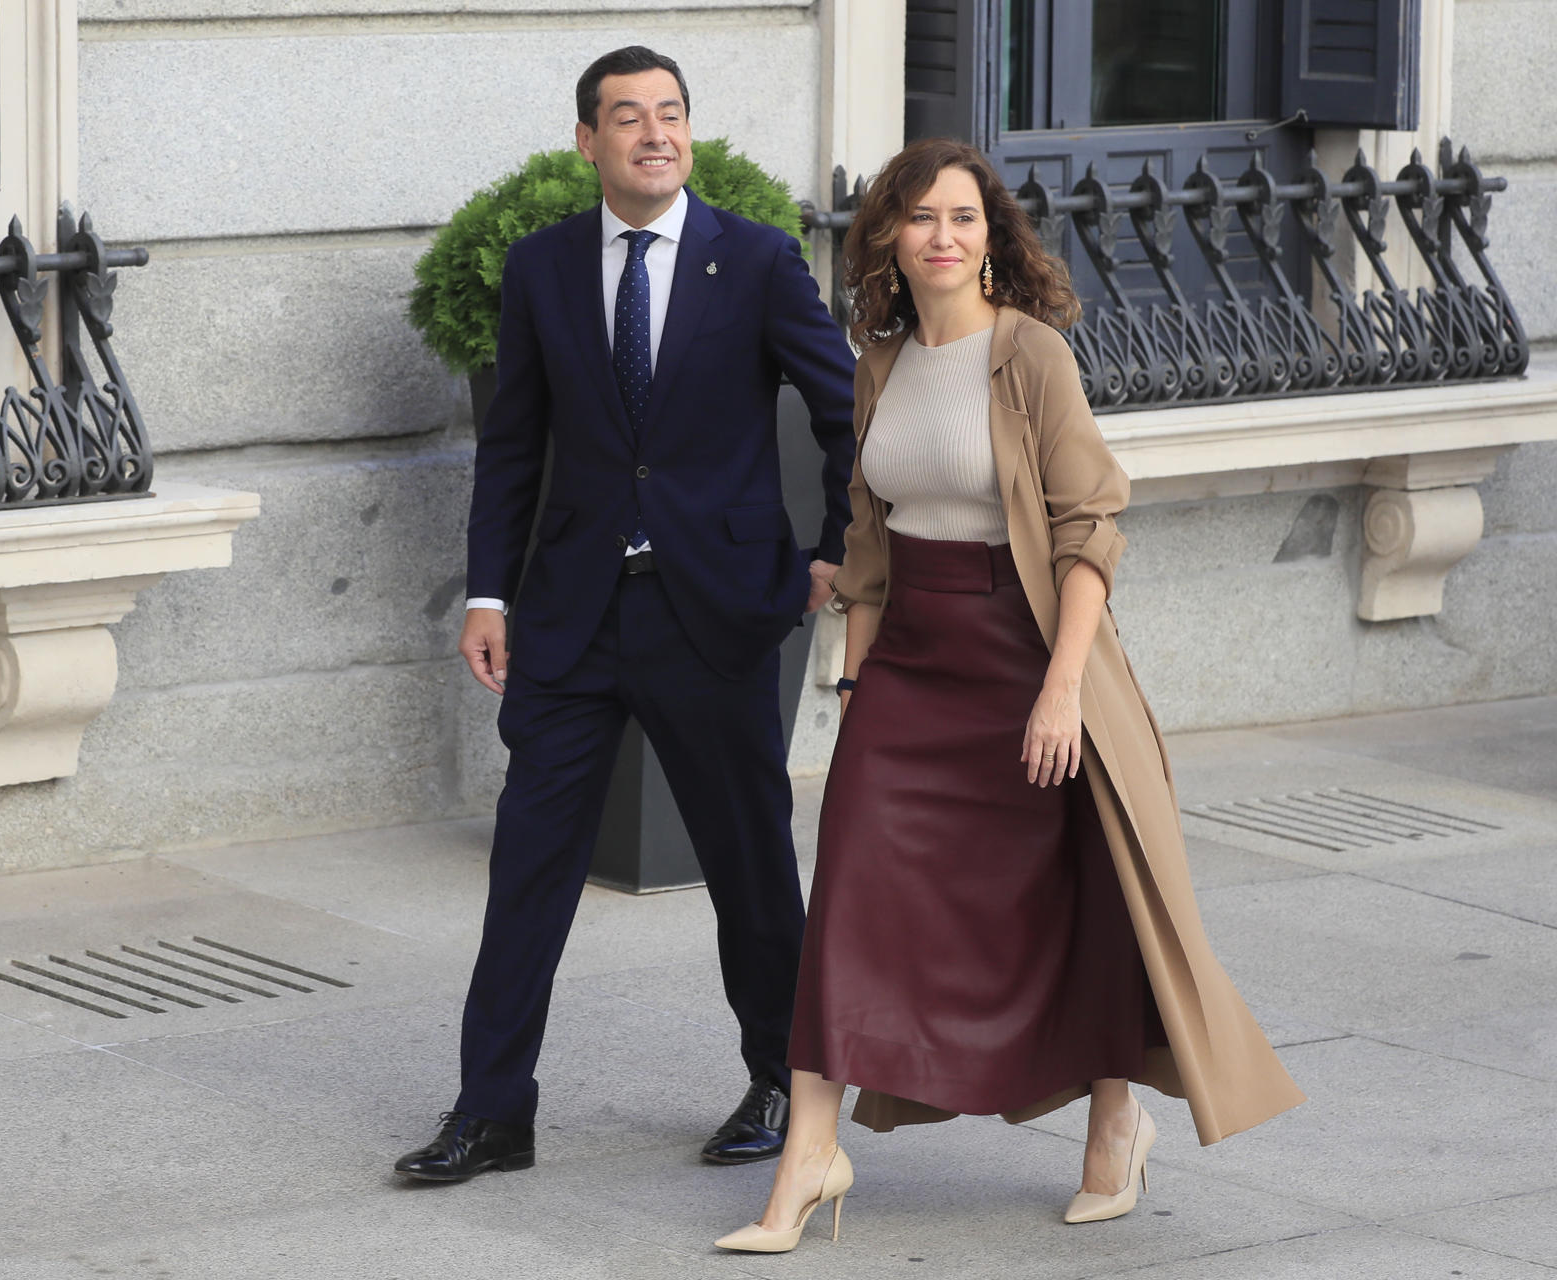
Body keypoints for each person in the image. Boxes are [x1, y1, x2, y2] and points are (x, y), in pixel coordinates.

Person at [714, 138, 1304, 1252]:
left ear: (993, 238)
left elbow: (1089, 529)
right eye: (921, 216)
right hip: (909, 662)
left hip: (1030, 648)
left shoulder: (1030, 355)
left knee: (1079, 892)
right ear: (888, 234)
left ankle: (1116, 1120)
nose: (943, 234)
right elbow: (871, 534)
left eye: (965, 217)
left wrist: (1061, 689)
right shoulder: (877, 356)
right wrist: (854, 676)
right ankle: (808, 1155)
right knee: (850, 888)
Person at [392, 46, 857, 1183]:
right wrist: (489, 591)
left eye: (671, 114)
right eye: (627, 117)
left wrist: (842, 547)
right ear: (588, 143)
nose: (654, 133)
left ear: (688, 133)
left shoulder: (752, 259)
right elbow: (512, 449)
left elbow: (847, 404)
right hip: (573, 618)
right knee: (529, 867)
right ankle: (493, 1108)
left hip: (717, 613)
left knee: (749, 864)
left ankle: (782, 1084)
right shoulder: (541, 266)